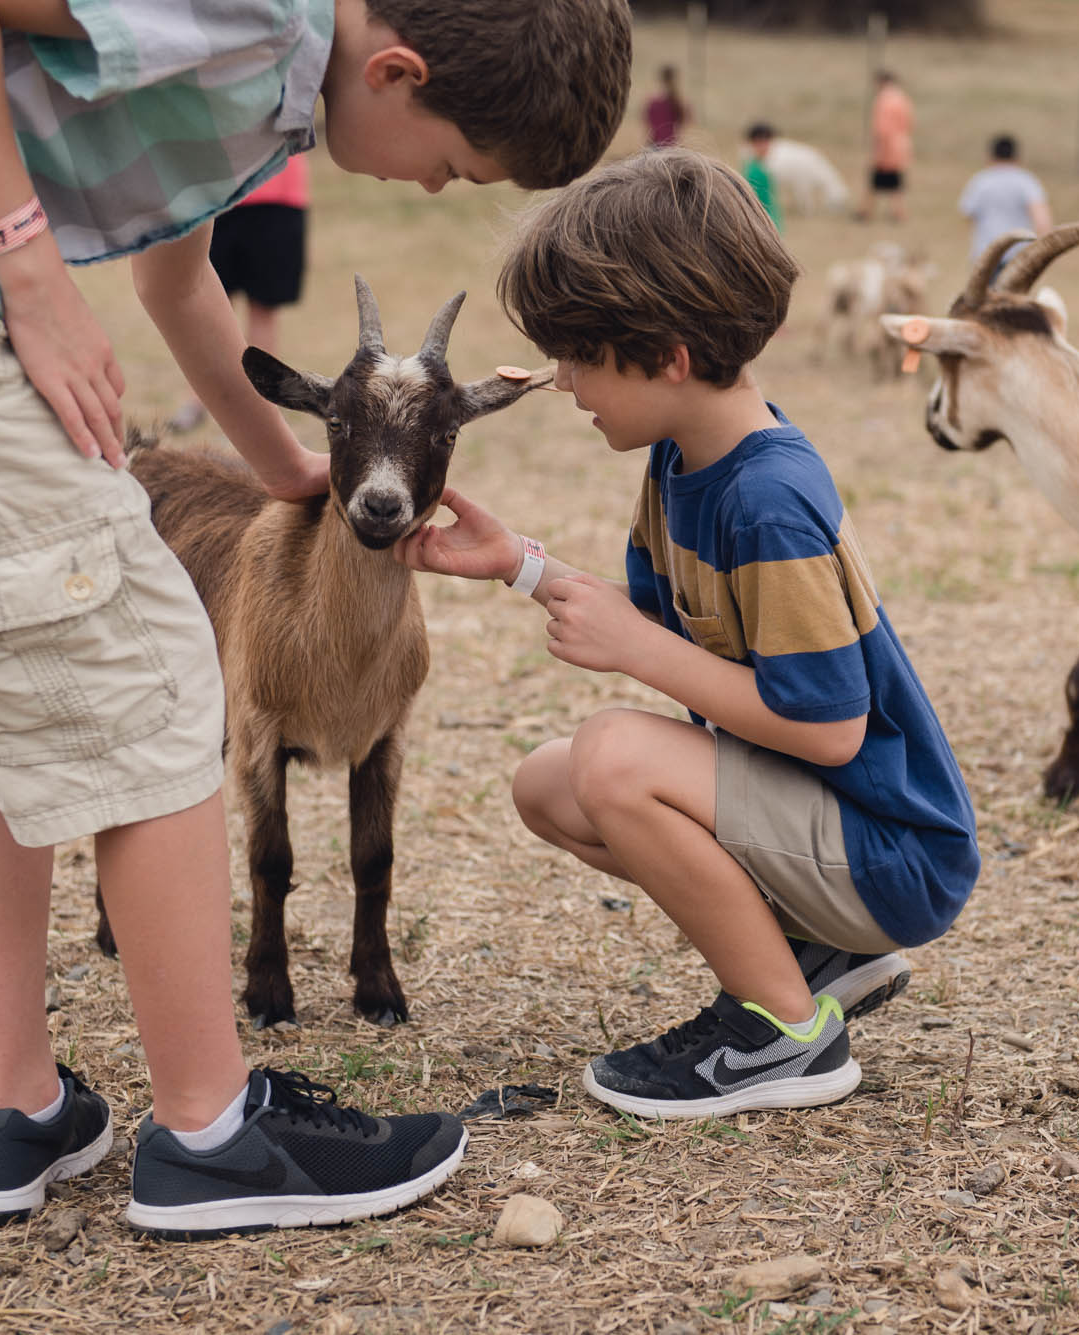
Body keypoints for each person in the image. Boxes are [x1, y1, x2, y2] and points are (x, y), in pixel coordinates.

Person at [0, 0, 631, 1237]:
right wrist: (30, 267)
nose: (434, 189)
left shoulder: (272, 105)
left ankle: (14, 1109)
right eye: (452, 165)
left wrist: (288, 471)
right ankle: (214, 1135)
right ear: (395, 70)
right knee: (165, 670)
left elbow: (178, 279)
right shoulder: (259, 10)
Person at [397, 149, 981, 1119]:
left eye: (580, 357)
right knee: (550, 786)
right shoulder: (680, 458)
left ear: (669, 356)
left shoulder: (768, 500)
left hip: (893, 850)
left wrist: (636, 649)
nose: (562, 380)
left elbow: (831, 730)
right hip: (824, 818)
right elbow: (666, 636)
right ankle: (815, 954)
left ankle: (784, 1029)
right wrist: (520, 566)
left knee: (614, 759)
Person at [169, 154, 312, 433]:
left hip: (277, 195)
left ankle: (264, 405)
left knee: (264, 310)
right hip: (214, 195)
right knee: (204, 305)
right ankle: (197, 401)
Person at [957, 135, 1052, 262]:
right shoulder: (1027, 182)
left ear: (990, 156)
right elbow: (1042, 221)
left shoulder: (981, 181)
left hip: (985, 256)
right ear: (1017, 157)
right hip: (1018, 257)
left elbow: (967, 213)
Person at [854, 71, 913, 225]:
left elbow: (882, 128)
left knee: (876, 180)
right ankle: (896, 212)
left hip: (887, 146)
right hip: (900, 144)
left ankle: (866, 211)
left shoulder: (883, 100)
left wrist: (879, 150)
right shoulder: (901, 97)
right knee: (895, 182)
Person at [743, 123, 783, 231]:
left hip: (770, 219)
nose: (765, 146)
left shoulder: (762, 166)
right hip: (762, 222)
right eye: (760, 143)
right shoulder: (752, 170)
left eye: (767, 142)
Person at [645, 63, 689, 148]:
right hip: (673, 147)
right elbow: (683, 124)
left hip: (655, 146)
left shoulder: (653, 102)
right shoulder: (678, 102)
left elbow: (648, 127)